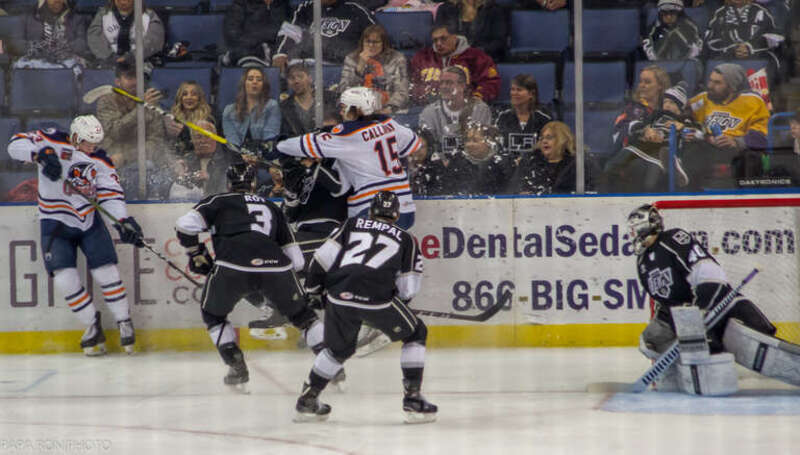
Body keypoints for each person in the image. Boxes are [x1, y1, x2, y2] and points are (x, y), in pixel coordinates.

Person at [174, 162, 325, 390]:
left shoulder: (217, 201)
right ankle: (331, 366)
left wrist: (196, 253)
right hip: (277, 268)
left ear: (228, 183)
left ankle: (236, 365)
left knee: (213, 315)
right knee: (304, 317)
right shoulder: (271, 207)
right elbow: (298, 262)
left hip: (231, 266)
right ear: (254, 184)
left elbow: (184, 226)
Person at [293, 191, 436, 423]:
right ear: (396, 215)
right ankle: (413, 398)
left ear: (370, 211)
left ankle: (308, 399)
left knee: (337, 351)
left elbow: (321, 258)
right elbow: (408, 288)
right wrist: (396, 305)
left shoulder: (351, 225)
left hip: (339, 295)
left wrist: (313, 290)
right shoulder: (406, 238)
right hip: (378, 298)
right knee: (416, 333)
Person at [6, 115, 143, 356]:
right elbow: (14, 145)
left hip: (88, 220)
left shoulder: (100, 160)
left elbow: (110, 195)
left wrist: (123, 221)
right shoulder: (51, 140)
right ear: (76, 137)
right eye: (89, 142)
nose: (93, 147)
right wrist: (39, 155)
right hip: (55, 221)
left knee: (106, 271)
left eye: (96, 143)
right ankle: (92, 325)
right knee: (64, 277)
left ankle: (124, 321)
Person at [626, 203, 800, 392]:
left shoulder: (673, 240)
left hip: (721, 307)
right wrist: (681, 324)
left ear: (647, 226)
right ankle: (679, 383)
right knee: (652, 340)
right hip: (688, 318)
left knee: (761, 345)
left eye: (635, 229)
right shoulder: (642, 263)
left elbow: (709, 273)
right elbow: (664, 303)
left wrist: (702, 309)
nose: (632, 235)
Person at [277, 86, 421, 229]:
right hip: (405, 207)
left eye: (343, 107)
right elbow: (414, 143)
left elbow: (293, 146)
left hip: (371, 208)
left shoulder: (347, 135)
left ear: (357, 109)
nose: (341, 112)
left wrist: (278, 145)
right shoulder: (390, 125)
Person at [682, 62, 770, 189]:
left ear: (732, 87)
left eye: (717, 83)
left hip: (737, 150)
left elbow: (761, 135)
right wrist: (690, 130)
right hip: (708, 145)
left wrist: (736, 142)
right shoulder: (704, 98)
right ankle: (684, 183)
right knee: (692, 149)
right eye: (710, 80)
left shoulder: (753, 101)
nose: (710, 86)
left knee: (739, 157)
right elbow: (682, 114)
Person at [416, 65, 499, 195]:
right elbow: (427, 148)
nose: (444, 86)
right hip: (439, 171)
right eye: (442, 82)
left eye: (449, 83)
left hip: (473, 170)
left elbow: (484, 148)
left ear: (462, 86)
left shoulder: (480, 109)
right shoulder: (428, 112)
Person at [605, 65, 671, 193]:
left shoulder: (667, 109)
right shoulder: (632, 108)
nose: (642, 85)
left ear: (660, 86)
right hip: (633, 157)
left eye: (647, 82)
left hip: (659, 157)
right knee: (638, 169)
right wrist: (643, 130)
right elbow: (619, 131)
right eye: (640, 81)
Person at [95, 57, 168, 171]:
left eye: (138, 77)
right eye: (129, 78)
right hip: (111, 158)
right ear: (118, 82)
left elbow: (156, 142)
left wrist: (126, 157)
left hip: (138, 159)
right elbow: (115, 132)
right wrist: (141, 109)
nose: (135, 82)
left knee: (148, 166)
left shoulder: (151, 102)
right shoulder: (106, 101)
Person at [271, 0, 375, 72]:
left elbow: (377, 37)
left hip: (340, 68)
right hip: (306, 67)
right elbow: (289, 32)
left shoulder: (356, 10)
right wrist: (280, 54)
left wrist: (363, 58)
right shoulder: (306, 8)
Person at [409, 24, 500, 106]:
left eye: (443, 39)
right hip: (427, 108)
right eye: (435, 40)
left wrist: (476, 98)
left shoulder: (476, 56)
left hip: (465, 108)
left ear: (455, 37)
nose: (438, 43)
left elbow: (490, 83)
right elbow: (411, 83)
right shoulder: (422, 57)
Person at [493, 74, 553, 193]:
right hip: (506, 173)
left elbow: (550, 149)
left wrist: (527, 159)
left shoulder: (544, 119)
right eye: (512, 89)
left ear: (531, 94)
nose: (514, 93)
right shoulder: (502, 117)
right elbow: (496, 147)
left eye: (519, 90)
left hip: (536, 173)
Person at [339, 24, 409, 114]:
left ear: (383, 44)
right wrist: (359, 68)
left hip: (389, 109)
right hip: (358, 110)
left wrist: (389, 108)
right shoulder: (352, 58)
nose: (371, 45)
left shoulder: (397, 59)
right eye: (368, 41)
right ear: (362, 42)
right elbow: (344, 90)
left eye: (376, 42)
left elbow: (402, 91)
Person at [511, 121, 595, 195]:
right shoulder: (529, 162)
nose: (544, 141)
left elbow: (592, 190)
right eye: (542, 138)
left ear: (563, 140)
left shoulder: (580, 164)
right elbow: (513, 189)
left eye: (549, 137)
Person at [703, 0, 783, 73]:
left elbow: (776, 36)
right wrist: (733, 48)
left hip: (758, 57)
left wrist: (750, 47)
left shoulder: (762, 11)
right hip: (727, 58)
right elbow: (711, 40)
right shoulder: (719, 13)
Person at [9, 0, 90, 70]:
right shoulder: (26, 18)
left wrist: (64, 47)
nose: (57, 1)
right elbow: (16, 43)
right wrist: (37, 48)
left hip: (66, 62)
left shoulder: (76, 18)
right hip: (35, 63)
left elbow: (82, 43)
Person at [168, 120, 238, 199]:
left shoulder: (230, 158)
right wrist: (176, 174)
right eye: (198, 137)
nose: (203, 141)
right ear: (192, 140)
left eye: (207, 136)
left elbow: (232, 186)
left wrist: (210, 178)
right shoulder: (188, 160)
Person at [222, 67, 282, 159]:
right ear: (244, 84)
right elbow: (232, 140)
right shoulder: (229, 111)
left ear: (263, 85)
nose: (255, 82)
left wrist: (257, 156)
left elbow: (270, 136)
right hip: (238, 157)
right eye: (250, 79)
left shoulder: (272, 106)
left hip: (265, 156)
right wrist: (240, 156)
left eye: (259, 79)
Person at [87, 0, 165, 68]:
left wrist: (132, 56)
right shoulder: (102, 15)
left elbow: (154, 41)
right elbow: (94, 38)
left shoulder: (149, 16)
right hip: (108, 63)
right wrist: (110, 57)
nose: (123, 2)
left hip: (141, 63)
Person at [221, 0, 291, 67]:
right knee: (254, 70)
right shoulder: (242, 3)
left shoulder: (282, 4)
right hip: (249, 53)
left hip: (276, 53)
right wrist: (261, 45)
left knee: (291, 70)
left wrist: (279, 53)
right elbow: (232, 33)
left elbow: (290, 32)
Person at [434, 0, 508, 62]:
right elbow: (438, 37)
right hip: (450, 59)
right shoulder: (446, 9)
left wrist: (474, 52)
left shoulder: (494, 10)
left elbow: (499, 41)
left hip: (481, 59)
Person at [280, 62, 339, 137]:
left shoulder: (330, 98)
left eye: (300, 76)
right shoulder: (285, 107)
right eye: (292, 78)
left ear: (310, 78)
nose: (296, 81)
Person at [165, 81, 215, 159]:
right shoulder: (172, 117)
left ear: (199, 98)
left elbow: (204, 146)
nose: (189, 97)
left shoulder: (207, 120)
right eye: (185, 94)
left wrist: (184, 132)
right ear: (180, 98)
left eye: (194, 94)